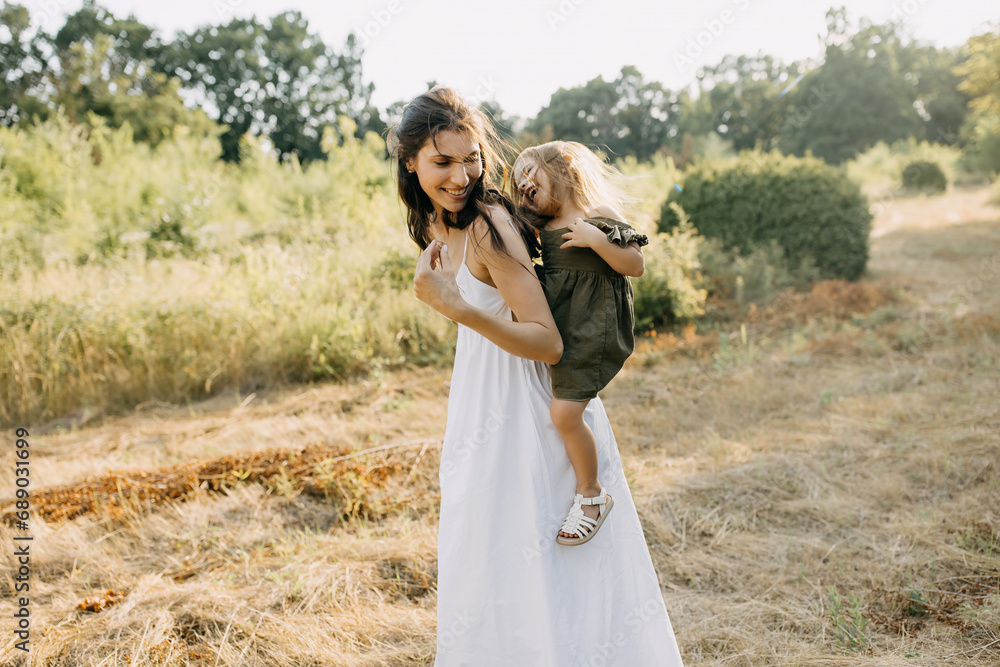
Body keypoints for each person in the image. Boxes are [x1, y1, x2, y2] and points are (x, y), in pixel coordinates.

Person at [389, 87, 683, 666]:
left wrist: (457, 307)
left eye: (470, 158)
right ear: (410, 161)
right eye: (442, 162)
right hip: (479, 402)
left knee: (543, 564)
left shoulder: (489, 227)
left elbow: (549, 343)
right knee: (488, 553)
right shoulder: (432, 218)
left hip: (525, 407)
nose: (461, 176)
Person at [512, 141, 648, 546]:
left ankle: (591, 494)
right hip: (564, 326)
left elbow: (635, 265)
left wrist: (598, 241)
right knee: (557, 410)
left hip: (594, 327)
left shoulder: (597, 214)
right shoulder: (543, 226)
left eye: (529, 172)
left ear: (565, 164)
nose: (523, 184)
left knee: (565, 415)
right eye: (520, 183)